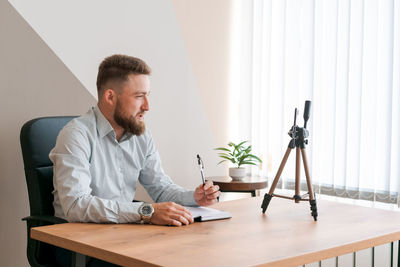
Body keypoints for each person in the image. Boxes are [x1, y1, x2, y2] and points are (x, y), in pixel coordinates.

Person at [50, 54, 221, 228]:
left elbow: (160, 188)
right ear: (110, 97)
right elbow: (76, 206)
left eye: (147, 95)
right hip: (78, 242)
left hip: (123, 231)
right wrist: (147, 212)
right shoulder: (76, 135)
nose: (147, 106)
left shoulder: (140, 135)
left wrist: (194, 197)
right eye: (139, 96)